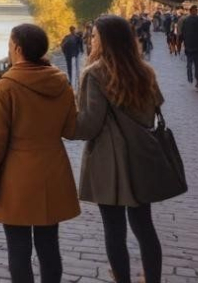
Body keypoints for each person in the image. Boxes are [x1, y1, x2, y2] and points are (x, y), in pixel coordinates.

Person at [0, 24, 79, 283]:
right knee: (49, 247)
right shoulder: (61, 82)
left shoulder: (3, 89)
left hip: (16, 178)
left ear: (17, 49)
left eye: (9, 45)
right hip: (54, 172)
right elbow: (71, 129)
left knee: (18, 250)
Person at [70, 15, 166, 283]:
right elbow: (153, 111)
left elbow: (89, 125)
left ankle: (122, 279)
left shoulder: (95, 73)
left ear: (105, 41)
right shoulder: (145, 71)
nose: (91, 40)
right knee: (145, 226)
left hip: (108, 160)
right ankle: (152, 279)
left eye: (95, 36)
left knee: (114, 229)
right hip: (141, 156)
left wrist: (64, 126)